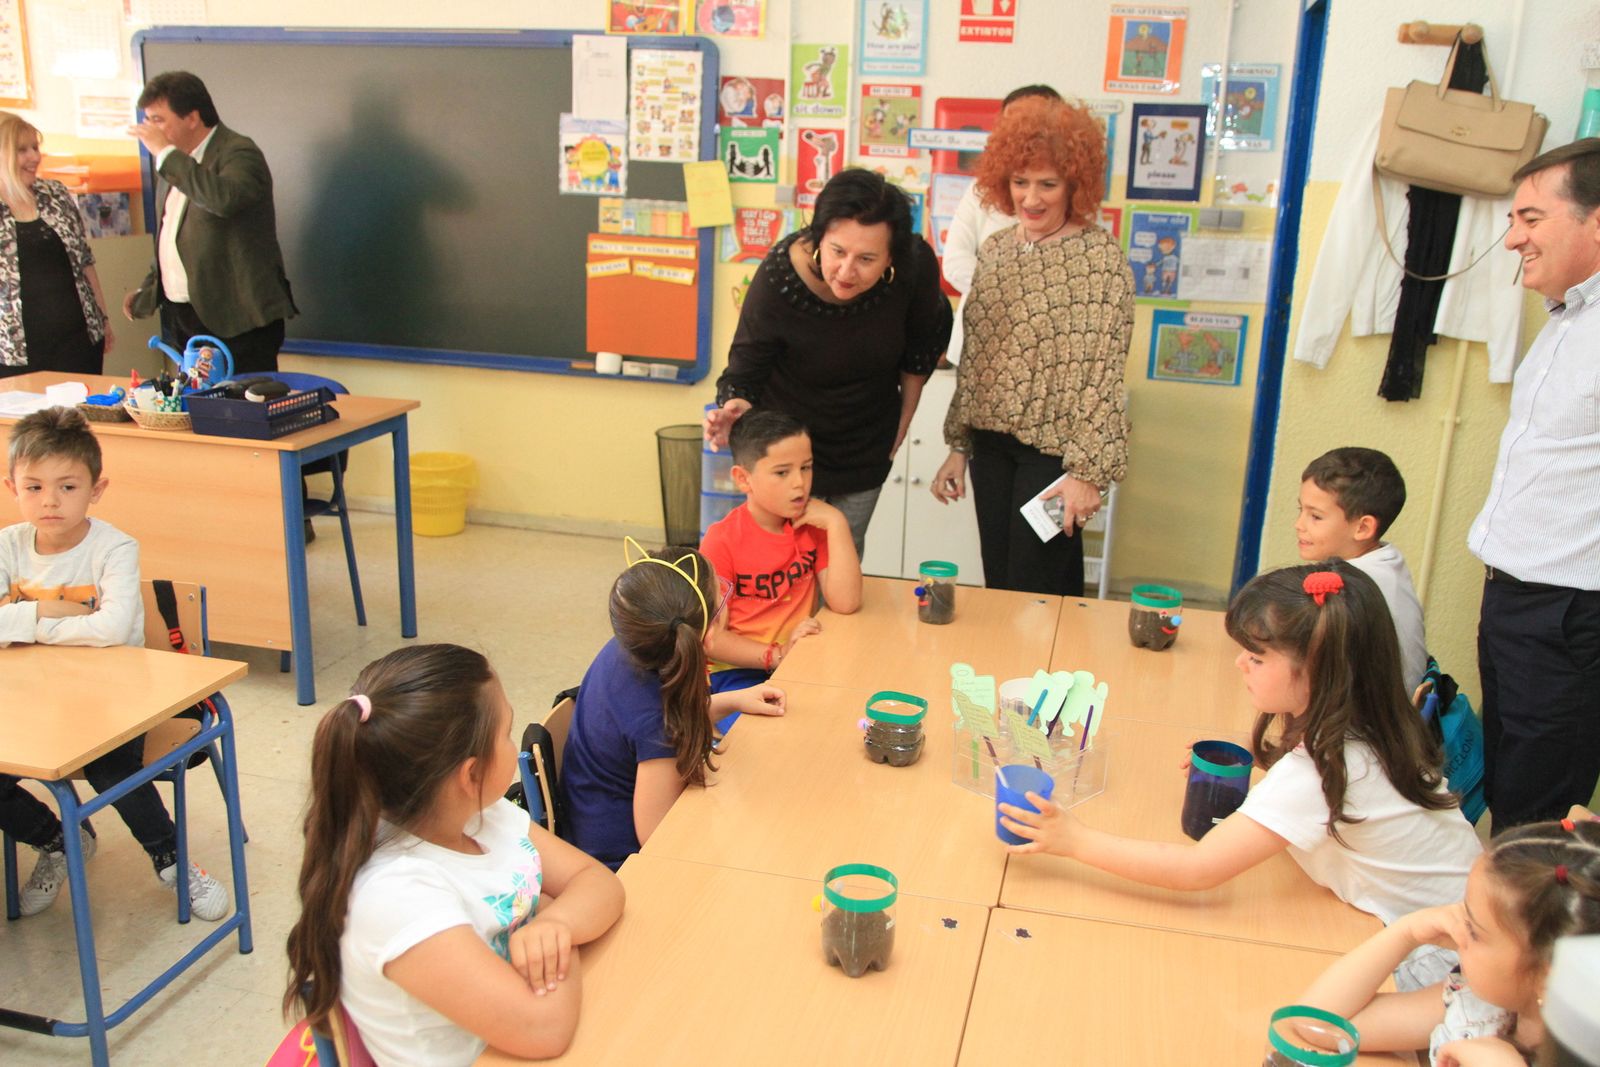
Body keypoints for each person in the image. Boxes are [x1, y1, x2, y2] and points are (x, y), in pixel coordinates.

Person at [999, 561, 1482, 988]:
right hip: (1467, 916)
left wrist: (1075, 840)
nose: (1239, 664)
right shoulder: (1376, 724)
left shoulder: (1324, 769)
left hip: (1448, 961)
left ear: (1319, 673)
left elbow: (1197, 870)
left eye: (1256, 657)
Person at [283, 644, 625, 1064]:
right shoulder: (395, 895)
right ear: (471, 772)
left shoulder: (481, 811)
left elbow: (599, 883)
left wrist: (554, 922)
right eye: (505, 732)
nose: (509, 740)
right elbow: (544, 1031)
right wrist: (553, 920)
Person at [0, 407, 229, 920]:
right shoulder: (7, 546)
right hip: (31, 701)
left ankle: (171, 858)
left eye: (67, 487)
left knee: (110, 770)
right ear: (11, 486)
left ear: (96, 490)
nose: (50, 501)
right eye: (33, 487)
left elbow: (111, 631)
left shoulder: (114, 548)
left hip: (112, 698)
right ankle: (57, 840)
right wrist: (50, 610)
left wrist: (18, 619)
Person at [932, 96, 1134, 597]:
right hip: (992, 448)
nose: (1032, 198)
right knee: (1000, 580)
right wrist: (959, 447)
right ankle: (1011, 675)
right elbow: (978, 356)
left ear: (1074, 184)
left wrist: (1088, 474)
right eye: (1021, 182)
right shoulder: (996, 249)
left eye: (1048, 184)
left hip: (1055, 457)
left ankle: (1052, 675)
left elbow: (1104, 375)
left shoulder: (1099, 259)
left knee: (1040, 584)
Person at [703, 168, 953, 556]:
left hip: (865, 441)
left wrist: (903, 422)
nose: (846, 271)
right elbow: (745, 370)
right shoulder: (780, 278)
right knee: (780, 562)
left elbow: (921, 346)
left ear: (892, 256)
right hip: (787, 448)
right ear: (819, 236)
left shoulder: (914, 266)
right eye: (837, 251)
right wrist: (735, 407)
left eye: (867, 258)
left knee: (842, 559)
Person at [1468, 138, 1600, 829]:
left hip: (1569, 614)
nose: (1513, 236)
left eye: (1531, 218)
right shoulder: (1567, 319)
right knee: (1508, 791)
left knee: (1539, 819)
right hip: (1517, 603)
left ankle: (1527, 940)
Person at [1294, 818, 1600, 1065]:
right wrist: (1405, 933)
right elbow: (1317, 1023)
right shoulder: (1482, 1005)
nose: (1457, 929)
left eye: (1476, 930)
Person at [559, 542, 786, 870]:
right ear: (707, 635)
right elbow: (658, 837)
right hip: (618, 866)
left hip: (588, 829)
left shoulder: (632, 648)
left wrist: (730, 700)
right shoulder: (656, 723)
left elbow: (646, 727)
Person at [123, 71, 296, 374]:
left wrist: (166, 153)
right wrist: (148, 289)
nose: (151, 130)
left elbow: (223, 200)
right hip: (184, 316)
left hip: (235, 318)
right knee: (193, 412)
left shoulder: (238, 153)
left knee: (238, 413)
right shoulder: (174, 163)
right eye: (147, 120)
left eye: (159, 120)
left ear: (192, 118)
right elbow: (172, 232)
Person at [701, 409, 862, 692]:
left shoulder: (814, 525)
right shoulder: (721, 540)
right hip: (735, 672)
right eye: (782, 472)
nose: (799, 483)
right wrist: (777, 655)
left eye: (806, 467)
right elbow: (713, 638)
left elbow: (846, 602)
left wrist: (837, 523)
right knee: (770, 732)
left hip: (797, 661)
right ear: (743, 479)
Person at [940, 85, 1063, 367]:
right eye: (1016, 122)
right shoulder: (980, 190)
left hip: (1046, 353)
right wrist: (1015, 293)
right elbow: (955, 263)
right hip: (979, 344)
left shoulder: (1076, 196)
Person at [1297, 447, 1428, 692]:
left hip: (1365, 726)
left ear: (1363, 528)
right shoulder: (1386, 560)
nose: (1299, 525)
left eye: (1315, 516)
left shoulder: (1350, 588)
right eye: (1300, 510)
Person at [0, 112, 114, 378]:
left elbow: (85, 261)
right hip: (13, 351)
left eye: (35, 148)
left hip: (77, 341)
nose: (34, 157)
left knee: (78, 418)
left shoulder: (56, 194)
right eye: (22, 150)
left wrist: (104, 319)